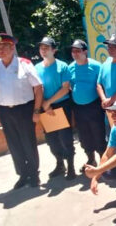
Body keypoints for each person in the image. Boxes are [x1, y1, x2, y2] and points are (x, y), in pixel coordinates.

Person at [0, 33, 43, 189]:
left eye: (4, 46)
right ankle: (22, 174)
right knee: (14, 144)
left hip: (24, 109)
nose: (1, 49)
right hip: (5, 111)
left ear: (13, 47)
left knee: (28, 142)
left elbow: (38, 88)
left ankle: (34, 174)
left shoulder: (24, 64)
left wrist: (36, 111)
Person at [35, 36, 76, 180]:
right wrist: (45, 105)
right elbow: (36, 89)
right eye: (41, 48)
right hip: (45, 107)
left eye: (46, 48)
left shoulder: (62, 66)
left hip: (61, 106)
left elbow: (65, 89)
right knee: (52, 140)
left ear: (54, 50)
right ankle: (60, 164)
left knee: (65, 138)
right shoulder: (37, 68)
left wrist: (49, 102)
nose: (43, 51)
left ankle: (71, 166)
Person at [68, 39, 106, 172]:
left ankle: (103, 160)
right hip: (78, 108)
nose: (75, 53)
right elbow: (70, 86)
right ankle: (90, 159)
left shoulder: (96, 66)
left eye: (78, 51)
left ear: (85, 51)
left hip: (94, 106)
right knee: (84, 136)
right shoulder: (70, 67)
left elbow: (101, 85)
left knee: (98, 133)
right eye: (73, 51)